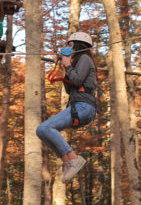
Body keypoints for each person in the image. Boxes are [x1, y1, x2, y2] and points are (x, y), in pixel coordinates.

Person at [36, 31, 97, 183]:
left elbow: (77, 82)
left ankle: (73, 159)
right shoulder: (77, 62)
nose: (68, 47)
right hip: (79, 107)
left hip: (84, 107)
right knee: (41, 131)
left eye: (70, 45)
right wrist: (66, 68)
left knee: (45, 128)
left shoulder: (84, 58)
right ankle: (68, 161)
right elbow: (70, 89)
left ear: (77, 44)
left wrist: (68, 65)